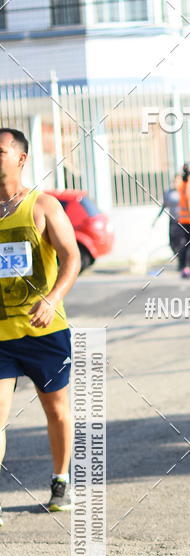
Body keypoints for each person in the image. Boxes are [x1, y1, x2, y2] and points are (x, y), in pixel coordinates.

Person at [0, 128, 80, 526]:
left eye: (0, 152)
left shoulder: (43, 205)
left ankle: (60, 479)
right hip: (1, 336)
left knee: (57, 411)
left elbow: (72, 258)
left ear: (20, 158)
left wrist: (52, 299)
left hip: (44, 331)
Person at [155, 175, 185, 267]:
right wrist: (157, 217)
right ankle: (180, 258)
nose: (176, 183)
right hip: (173, 220)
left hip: (183, 220)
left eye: (178, 181)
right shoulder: (168, 192)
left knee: (182, 242)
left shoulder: (184, 192)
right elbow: (164, 206)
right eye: (175, 181)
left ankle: (182, 263)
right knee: (172, 242)